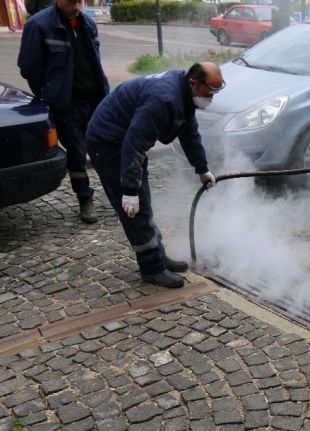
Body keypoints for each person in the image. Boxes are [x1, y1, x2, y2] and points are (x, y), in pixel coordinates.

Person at [84, 62, 222, 288]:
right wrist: (129, 191)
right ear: (193, 83)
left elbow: (189, 134)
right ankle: (152, 268)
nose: (212, 97)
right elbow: (134, 145)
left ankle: (158, 255)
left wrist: (202, 168)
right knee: (134, 211)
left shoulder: (184, 94)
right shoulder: (163, 99)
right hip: (108, 143)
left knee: (144, 204)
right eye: (210, 91)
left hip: (126, 142)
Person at [18, 0, 109, 224]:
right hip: (67, 104)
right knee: (77, 153)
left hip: (96, 99)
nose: (76, 6)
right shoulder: (38, 25)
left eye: (79, 1)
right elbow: (29, 67)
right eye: (70, 2)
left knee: (106, 148)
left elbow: (94, 60)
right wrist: (49, 92)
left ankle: (117, 194)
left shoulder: (87, 22)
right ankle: (85, 199)